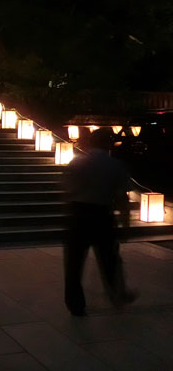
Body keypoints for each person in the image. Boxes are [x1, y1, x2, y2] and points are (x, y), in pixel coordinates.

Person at [63, 128, 138, 316]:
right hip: (102, 214)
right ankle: (117, 293)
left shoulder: (77, 162)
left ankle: (76, 304)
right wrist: (125, 223)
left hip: (79, 214)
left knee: (74, 262)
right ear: (109, 144)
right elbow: (122, 198)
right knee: (109, 258)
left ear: (90, 143)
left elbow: (67, 190)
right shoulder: (116, 165)